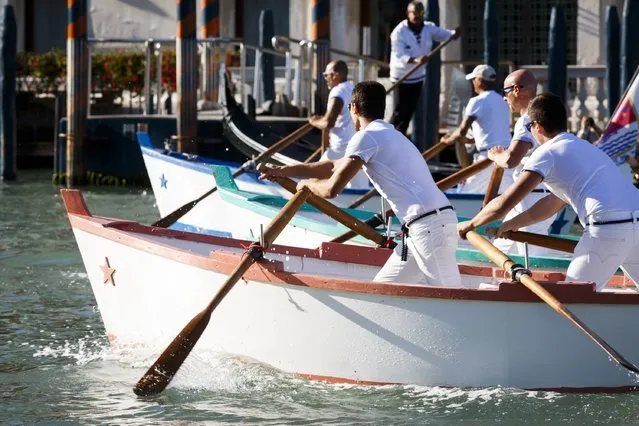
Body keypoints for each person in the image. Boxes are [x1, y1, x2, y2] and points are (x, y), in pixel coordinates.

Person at [259, 81, 462, 287]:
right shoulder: (392, 135)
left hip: (429, 227)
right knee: (382, 291)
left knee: (454, 297)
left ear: (353, 108)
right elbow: (332, 165)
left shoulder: (366, 137)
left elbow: (331, 189)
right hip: (424, 227)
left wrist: (307, 185)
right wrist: (284, 171)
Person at [457, 93, 639, 291]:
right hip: (636, 221)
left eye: (529, 128)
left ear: (537, 126)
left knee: (574, 295)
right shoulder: (584, 147)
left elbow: (503, 204)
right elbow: (551, 203)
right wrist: (513, 224)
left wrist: (469, 224)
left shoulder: (546, 153)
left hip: (608, 228)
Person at [488, 69, 558, 256]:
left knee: (532, 259)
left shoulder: (527, 118)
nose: (504, 99)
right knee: (499, 251)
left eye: (505, 92)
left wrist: (495, 156)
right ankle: (492, 284)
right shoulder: (539, 116)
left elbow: (511, 159)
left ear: (516, 90)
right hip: (532, 196)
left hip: (532, 198)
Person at [389, 1, 460, 136]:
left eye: (420, 13)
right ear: (408, 14)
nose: (417, 16)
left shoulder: (429, 27)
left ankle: (400, 136)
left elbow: (444, 34)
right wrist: (415, 60)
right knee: (400, 111)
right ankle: (390, 136)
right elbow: (399, 55)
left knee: (409, 111)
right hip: (401, 77)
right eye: (414, 13)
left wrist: (454, 33)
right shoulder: (399, 32)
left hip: (418, 76)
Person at [442, 64, 513, 193]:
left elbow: (461, 132)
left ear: (480, 81)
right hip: (507, 157)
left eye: (473, 79)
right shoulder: (503, 101)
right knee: (504, 196)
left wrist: (447, 140)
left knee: (465, 193)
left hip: (488, 158)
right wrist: (468, 140)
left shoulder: (476, 101)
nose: (472, 83)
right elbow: (490, 133)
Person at [308, 60, 368, 188]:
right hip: (357, 145)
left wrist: (314, 121)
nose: (326, 79)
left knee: (313, 179)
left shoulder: (337, 92)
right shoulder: (353, 89)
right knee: (359, 187)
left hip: (340, 147)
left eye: (326, 75)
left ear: (335, 75)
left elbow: (328, 123)